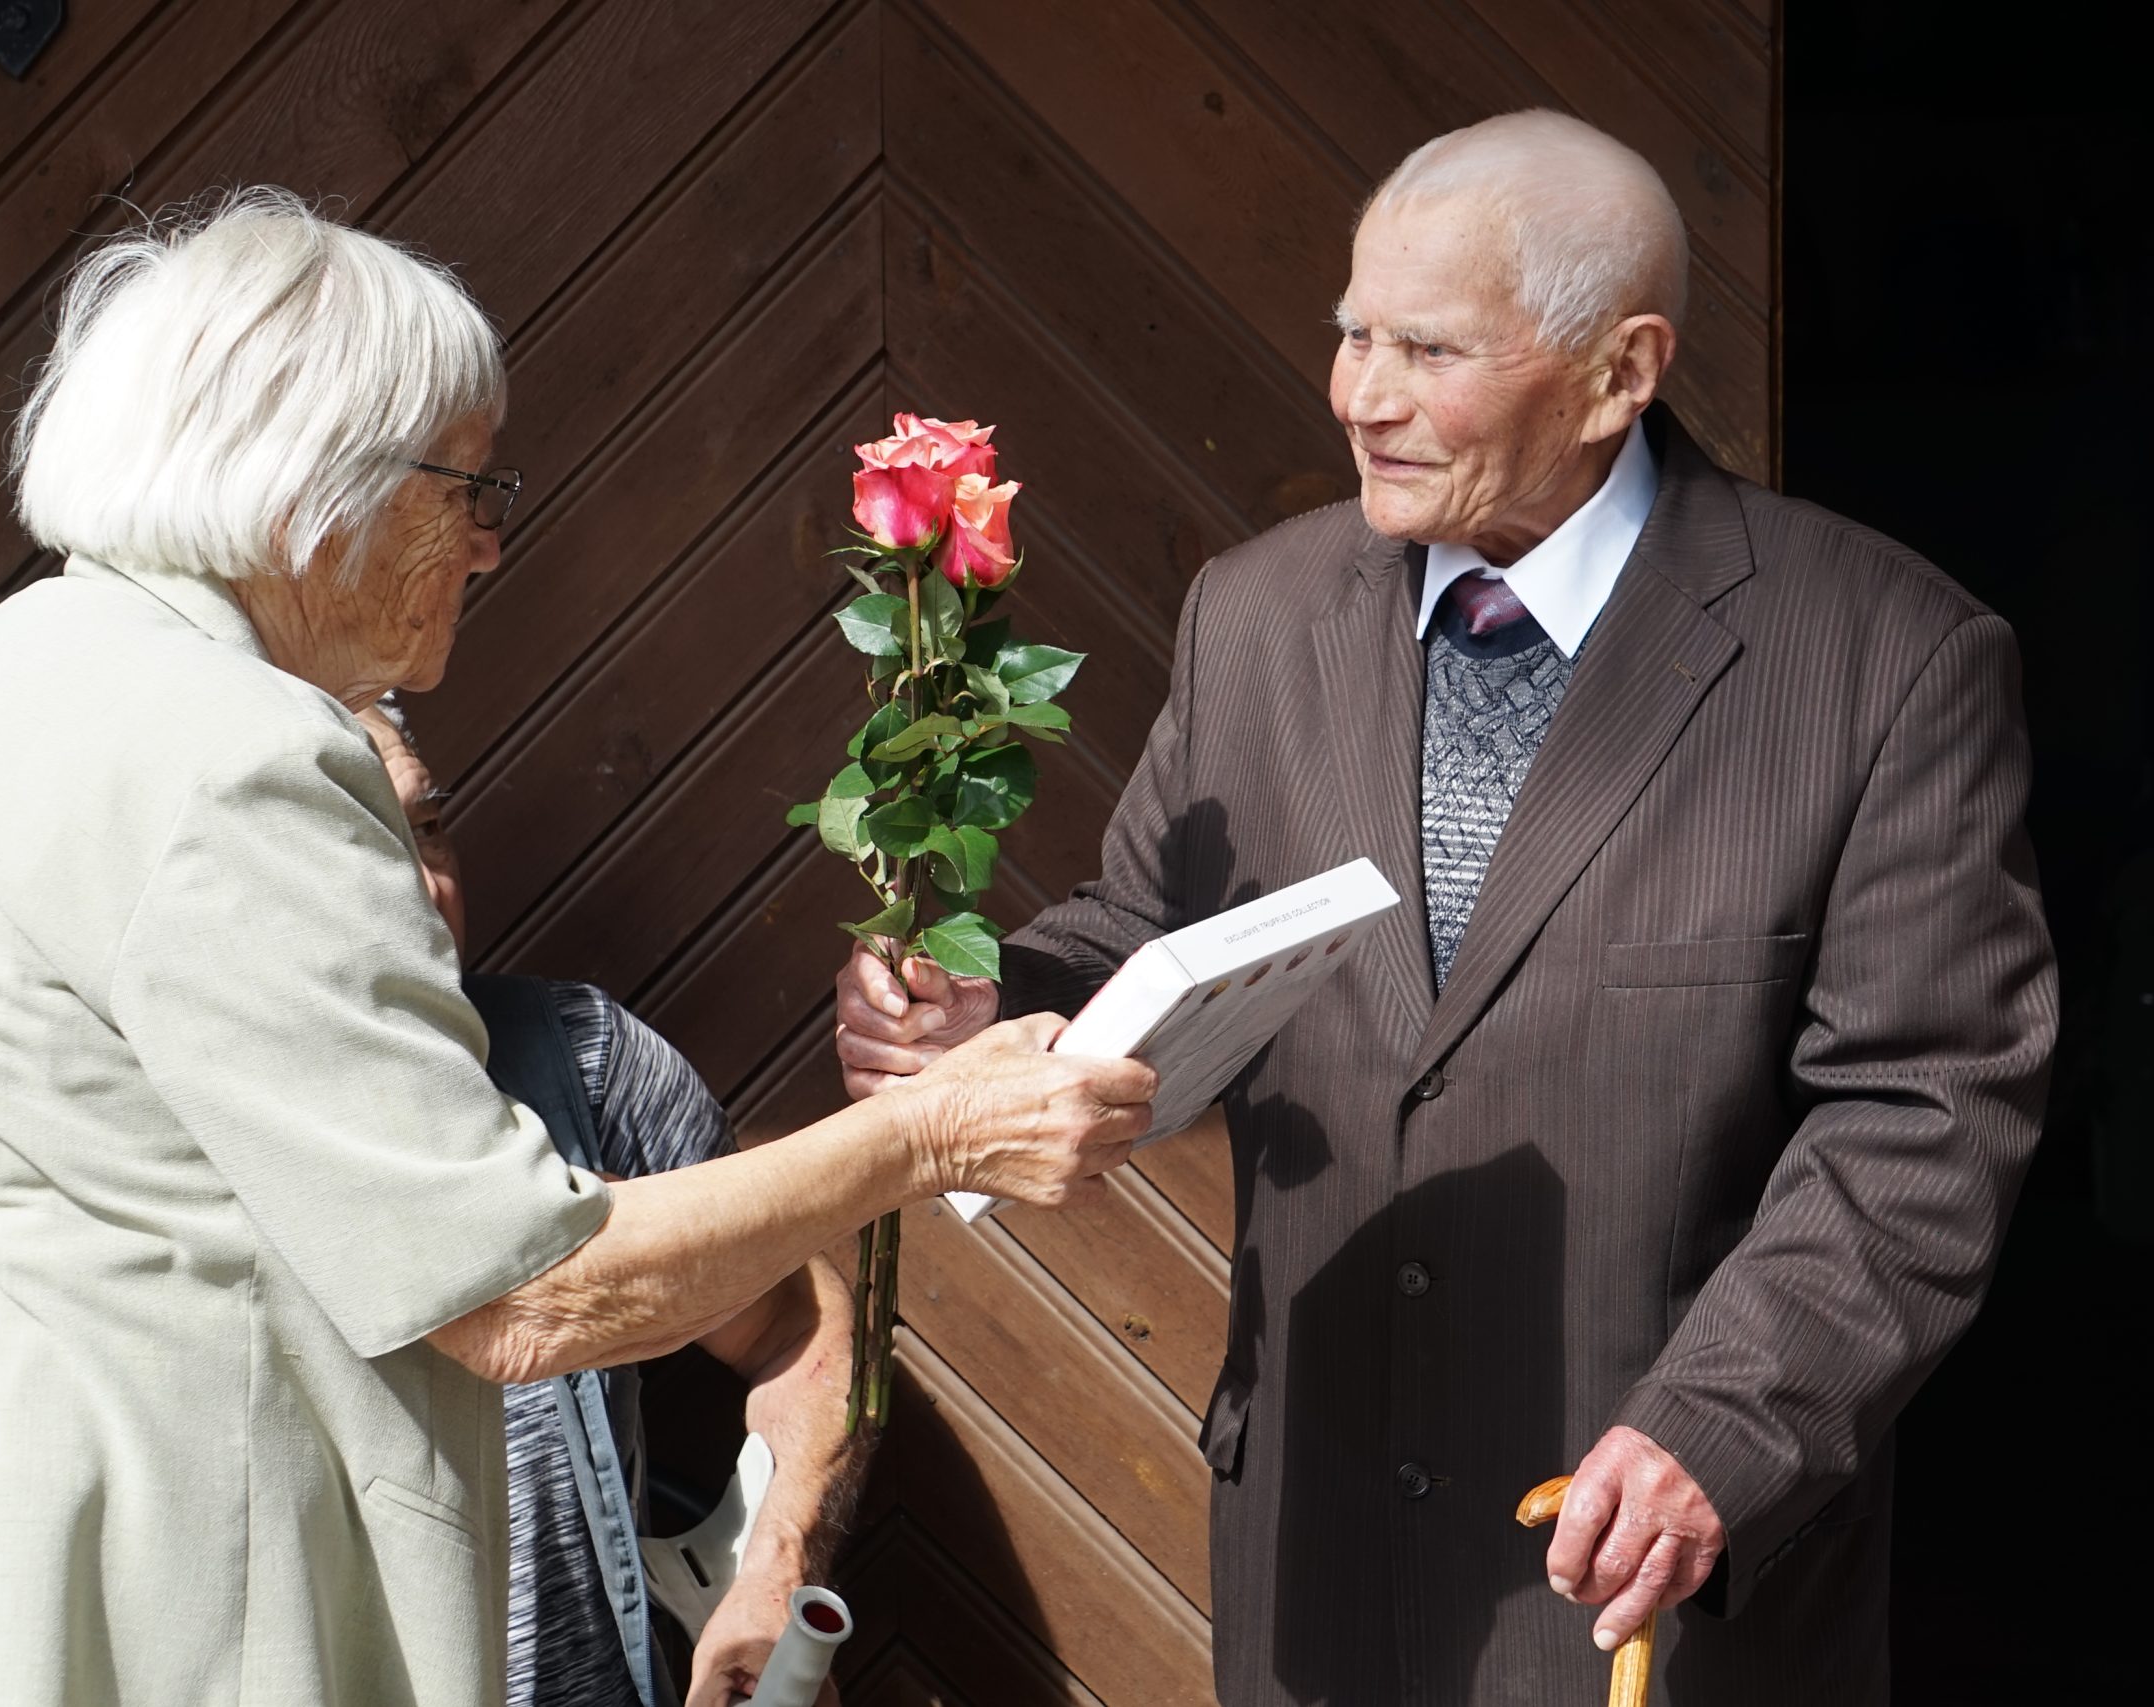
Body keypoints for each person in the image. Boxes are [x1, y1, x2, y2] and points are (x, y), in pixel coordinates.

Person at [0, 190, 1153, 1707]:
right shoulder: (228, 752)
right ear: (311, 483)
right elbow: (518, 1294)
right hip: (157, 1611)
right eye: (470, 486)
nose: (490, 546)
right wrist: (931, 1131)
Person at [835, 111, 2057, 1704]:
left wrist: (1723, 1428)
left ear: (1622, 373)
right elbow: (1146, 924)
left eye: (1427, 348)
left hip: (1645, 1573)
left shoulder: (1883, 656)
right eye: (1353, 332)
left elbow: (1925, 1112)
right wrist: (990, 1010)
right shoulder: (1256, 614)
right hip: (1323, 1562)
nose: (1362, 392)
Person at [358, 701, 858, 1707]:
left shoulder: (581, 1069)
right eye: (359, 838)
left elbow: (799, 1328)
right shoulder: (132, 1152)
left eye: (428, 825)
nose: (423, 887)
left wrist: (772, 1575)